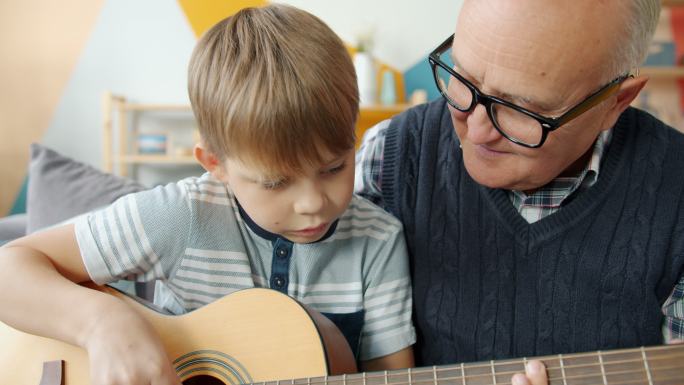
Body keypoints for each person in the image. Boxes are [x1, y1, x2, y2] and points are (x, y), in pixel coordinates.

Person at [0, 4, 415, 384]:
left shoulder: (378, 242)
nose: (312, 203)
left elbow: (391, 376)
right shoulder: (182, 215)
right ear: (215, 164)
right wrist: (98, 323)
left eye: (334, 168)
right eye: (275, 182)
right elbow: (11, 268)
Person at [356, 0, 684, 383]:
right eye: (463, 77)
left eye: (522, 110)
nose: (475, 131)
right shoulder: (389, 159)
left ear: (616, 102)